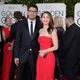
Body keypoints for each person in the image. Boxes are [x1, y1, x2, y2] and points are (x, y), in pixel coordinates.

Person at [14, 4, 40, 80]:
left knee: (33, 76)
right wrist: (16, 56)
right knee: (20, 76)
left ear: (37, 13)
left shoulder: (40, 24)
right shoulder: (21, 24)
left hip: (35, 55)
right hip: (22, 55)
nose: (32, 13)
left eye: (34, 11)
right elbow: (17, 41)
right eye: (31, 11)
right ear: (27, 12)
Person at [36, 11, 58, 80]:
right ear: (41, 19)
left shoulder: (52, 30)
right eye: (44, 17)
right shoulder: (40, 30)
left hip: (49, 57)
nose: (45, 19)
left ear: (50, 19)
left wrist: (44, 51)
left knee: (47, 76)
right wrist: (41, 52)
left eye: (47, 17)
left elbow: (56, 46)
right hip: (40, 57)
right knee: (40, 75)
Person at [5, 11, 26, 80]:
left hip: (16, 48)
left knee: (13, 64)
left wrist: (5, 40)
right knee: (24, 63)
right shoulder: (26, 24)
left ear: (15, 17)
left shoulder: (14, 26)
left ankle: (11, 78)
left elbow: (10, 37)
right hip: (25, 48)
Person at [62, 15, 80, 80]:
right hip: (76, 56)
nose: (64, 21)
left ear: (68, 20)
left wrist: (62, 53)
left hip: (70, 56)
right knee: (73, 73)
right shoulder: (77, 28)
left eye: (65, 20)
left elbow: (67, 43)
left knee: (67, 71)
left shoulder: (71, 29)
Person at [2, 16, 13, 80]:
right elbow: (5, 39)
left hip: (13, 46)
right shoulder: (3, 29)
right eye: (8, 21)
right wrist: (10, 44)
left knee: (12, 61)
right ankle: (7, 76)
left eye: (10, 21)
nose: (9, 22)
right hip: (7, 47)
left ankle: (13, 75)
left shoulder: (13, 28)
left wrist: (13, 45)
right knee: (7, 61)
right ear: (5, 22)